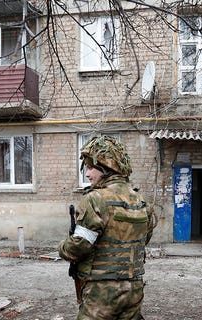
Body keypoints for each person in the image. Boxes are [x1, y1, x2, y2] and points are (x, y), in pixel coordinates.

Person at [58, 135, 157, 320]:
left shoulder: (96, 199)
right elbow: (144, 240)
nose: (87, 174)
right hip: (133, 289)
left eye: (90, 168)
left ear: (107, 168)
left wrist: (62, 247)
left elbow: (79, 246)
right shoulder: (141, 200)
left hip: (102, 291)